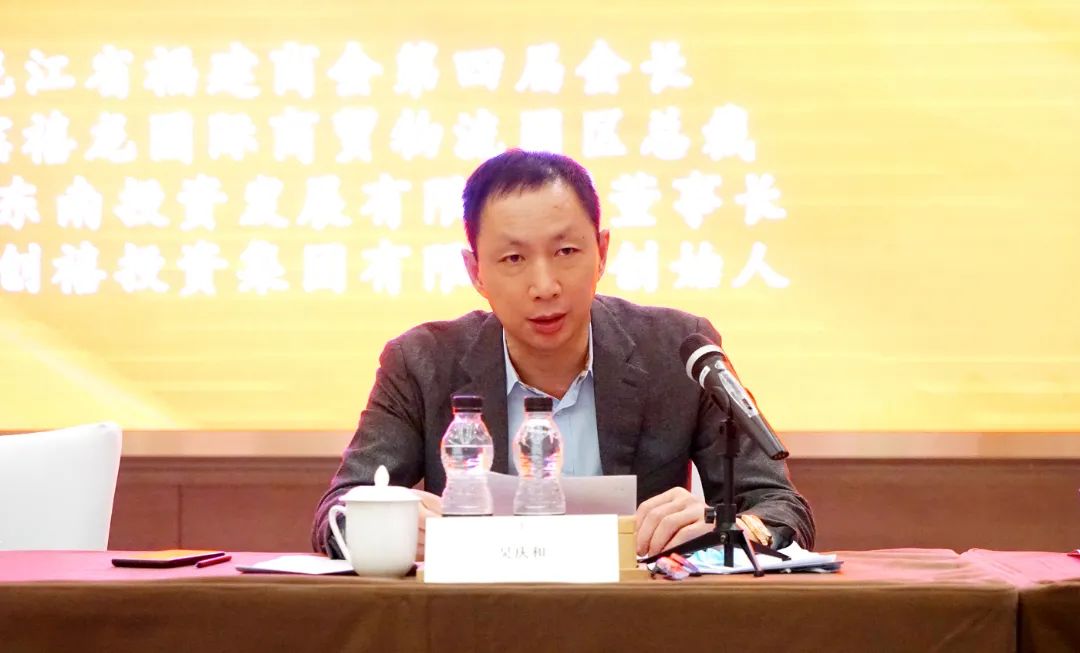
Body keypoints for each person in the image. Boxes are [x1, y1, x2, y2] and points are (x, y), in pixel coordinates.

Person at [312, 149, 814, 560]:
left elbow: (778, 506)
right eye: (513, 258)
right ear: (476, 272)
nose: (545, 285)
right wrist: (389, 526)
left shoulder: (677, 350)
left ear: (602, 252)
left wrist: (723, 528)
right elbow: (336, 512)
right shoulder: (421, 362)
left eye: (566, 252)